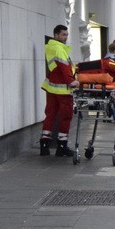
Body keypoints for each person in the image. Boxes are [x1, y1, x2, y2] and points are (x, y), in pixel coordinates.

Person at [40, 24, 80, 157]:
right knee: (66, 117)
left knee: (50, 115)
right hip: (63, 89)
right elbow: (64, 68)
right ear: (56, 35)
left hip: (51, 88)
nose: (66, 37)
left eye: (67, 35)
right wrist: (73, 82)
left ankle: (44, 145)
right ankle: (61, 146)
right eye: (63, 34)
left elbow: (57, 68)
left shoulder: (50, 47)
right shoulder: (59, 49)